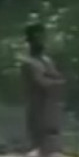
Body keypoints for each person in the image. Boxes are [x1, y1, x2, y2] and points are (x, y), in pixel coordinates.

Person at [19, 21, 66, 149]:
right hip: (37, 106)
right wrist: (58, 83)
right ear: (30, 40)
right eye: (37, 37)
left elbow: (55, 76)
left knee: (52, 137)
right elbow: (41, 82)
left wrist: (57, 81)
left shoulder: (46, 60)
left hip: (51, 106)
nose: (41, 41)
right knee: (38, 139)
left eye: (42, 37)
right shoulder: (28, 62)